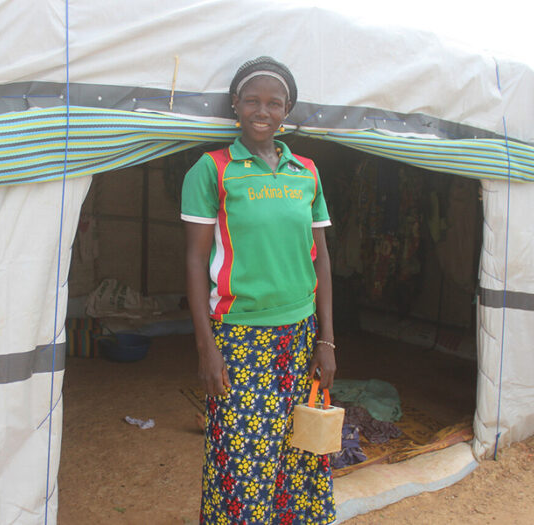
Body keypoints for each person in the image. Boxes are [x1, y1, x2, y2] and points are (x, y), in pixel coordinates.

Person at [181, 56, 337, 524]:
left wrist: (326, 339)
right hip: (240, 334)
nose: (262, 111)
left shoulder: (306, 171)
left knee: (299, 450)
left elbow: (322, 256)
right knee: (243, 456)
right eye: (252, 100)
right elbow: (193, 260)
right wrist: (206, 347)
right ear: (236, 105)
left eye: (274, 102)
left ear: (287, 110)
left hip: (300, 332)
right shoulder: (212, 170)